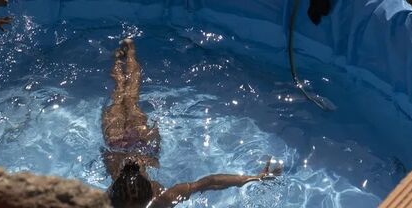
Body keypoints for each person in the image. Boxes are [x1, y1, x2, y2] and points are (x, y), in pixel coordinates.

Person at [102, 38, 280, 207]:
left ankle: (125, 55)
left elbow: (210, 182)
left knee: (123, 96)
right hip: (134, 144)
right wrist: (254, 178)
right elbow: (209, 182)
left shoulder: (160, 200)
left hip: (124, 144)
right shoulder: (161, 199)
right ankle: (126, 54)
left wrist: (255, 178)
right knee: (125, 96)